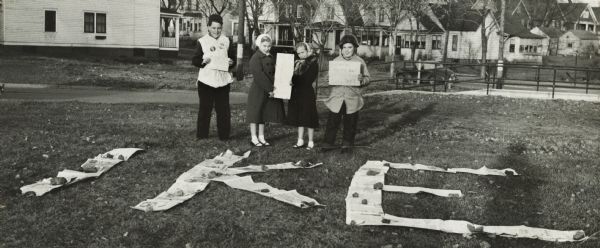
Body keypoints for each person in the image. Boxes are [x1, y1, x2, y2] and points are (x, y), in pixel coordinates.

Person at [191, 14, 236, 140]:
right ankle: (202, 135)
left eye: (219, 28)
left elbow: (232, 59)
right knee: (205, 109)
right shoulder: (202, 41)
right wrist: (203, 61)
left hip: (222, 81)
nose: (216, 31)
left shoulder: (226, 40)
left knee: (223, 111)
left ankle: (224, 136)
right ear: (208, 27)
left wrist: (232, 63)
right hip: (206, 81)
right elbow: (195, 60)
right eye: (213, 28)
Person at [323, 34, 370, 153]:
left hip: (352, 97)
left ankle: (347, 144)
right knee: (333, 121)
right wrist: (328, 78)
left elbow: (368, 78)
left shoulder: (360, 62)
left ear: (354, 48)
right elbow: (328, 78)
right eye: (344, 47)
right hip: (337, 97)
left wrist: (362, 79)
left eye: (350, 47)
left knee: (350, 122)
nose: (347, 50)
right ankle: (328, 143)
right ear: (341, 49)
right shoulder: (336, 61)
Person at [247, 34, 285, 147]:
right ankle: (254, 137)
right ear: (259, 45)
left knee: (264, 114)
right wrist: (269, 89)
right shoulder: (255, 58)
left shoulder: (271, 57)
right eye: (264, 46)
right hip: (259, 89)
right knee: (255, 114)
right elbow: (259, 75)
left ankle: (262, 137)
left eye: (269, 46)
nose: (267, 48)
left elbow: (276, 72)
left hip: (269, 89)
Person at [287, 42, 319, 150]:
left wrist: (294, 81)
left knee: (309, 117)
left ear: (308, 50)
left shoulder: (313, 63)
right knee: (300, 117)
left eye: (303, 52)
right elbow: (291, 76)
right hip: (297, 93)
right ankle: (300, 140)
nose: (301, 55)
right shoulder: (297, 63)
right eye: (299, 53)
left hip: (307, 93)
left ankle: (310, 141)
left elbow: (308, 79)